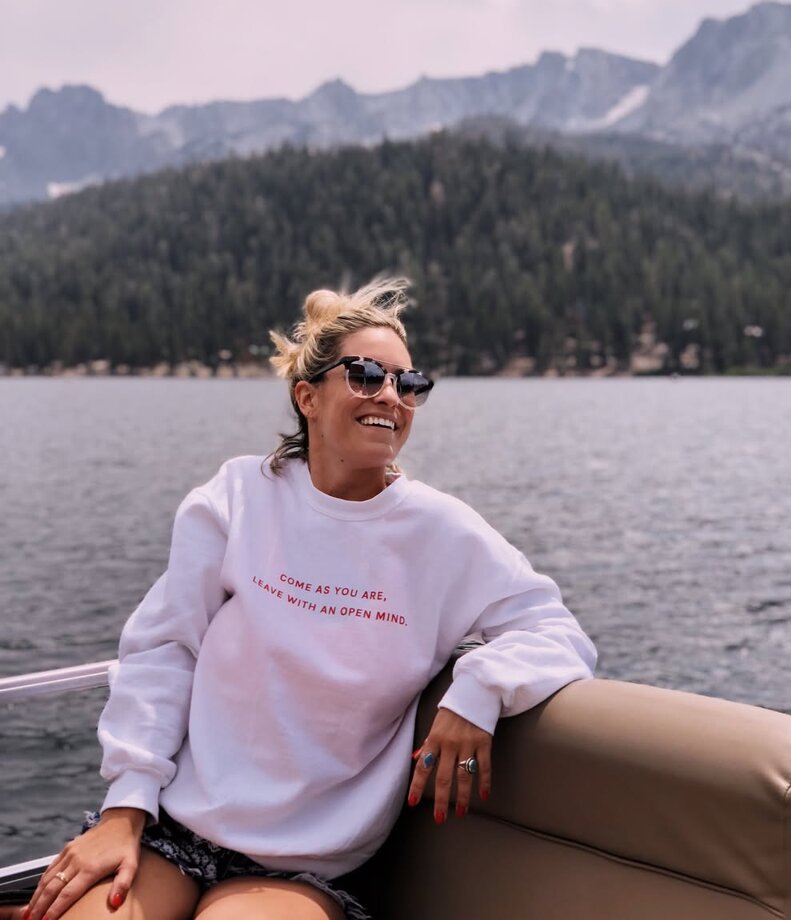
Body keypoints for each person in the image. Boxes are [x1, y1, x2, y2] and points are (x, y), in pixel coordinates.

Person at [19, 276, 597, 920]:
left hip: (305, 864)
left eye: (408, 383)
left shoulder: (444, 534)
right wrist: (124, 810)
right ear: (308, 396)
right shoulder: (239, 498)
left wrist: (481, 688)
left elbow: (558, 632)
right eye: (366, 376)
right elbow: (165, 650)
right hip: (173, 829)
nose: (391, 396)